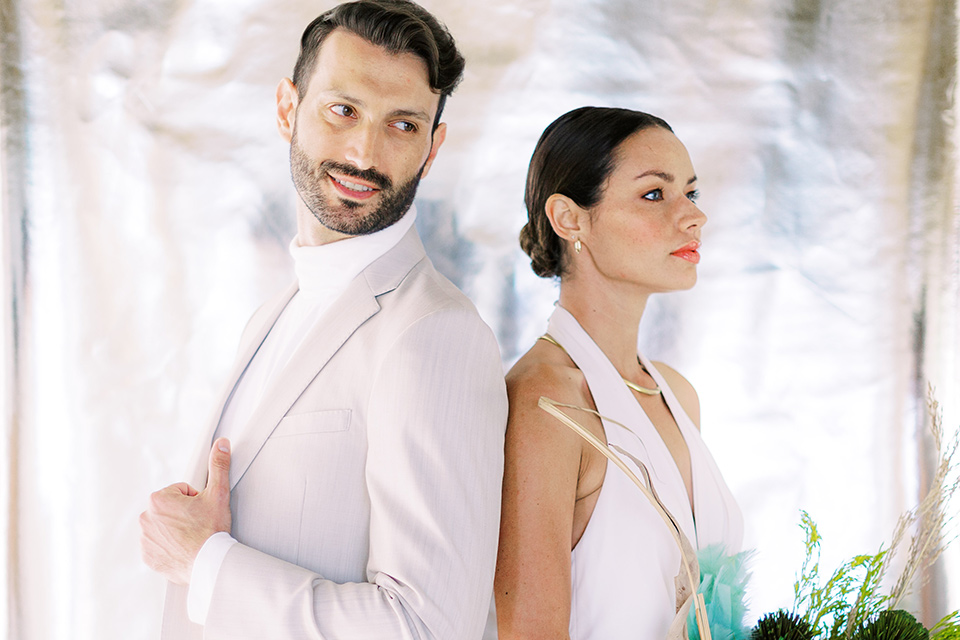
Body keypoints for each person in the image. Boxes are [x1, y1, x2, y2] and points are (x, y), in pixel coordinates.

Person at [138, 2, 508, 638]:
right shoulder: (272, 314)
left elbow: (428, 626)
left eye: (403, 124)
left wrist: (206, 564)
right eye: (344, 110)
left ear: (432, 147)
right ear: (288, 109)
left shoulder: (436, 332)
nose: (365, 152)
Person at [492, 106, 744, 640]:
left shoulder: (677, 394)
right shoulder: (545, 405)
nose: (693, 216)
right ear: (570, 218)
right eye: (655, 194)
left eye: (691, 194)